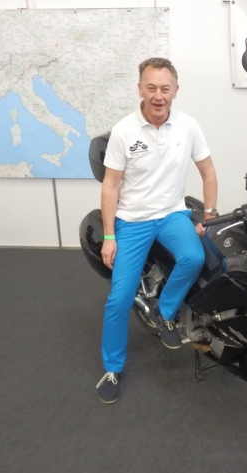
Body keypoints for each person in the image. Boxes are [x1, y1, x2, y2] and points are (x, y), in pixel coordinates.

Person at [96, 57, 218, 404]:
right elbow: (110, 186)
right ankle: (112, 367)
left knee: (193, 257)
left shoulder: (188, 126)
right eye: (151, 88)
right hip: (132, 221)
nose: (158, 95)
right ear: (140, 89)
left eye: (165, 88)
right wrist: (109, 236)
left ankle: (164, 313)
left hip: (171, 215)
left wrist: (208, 215)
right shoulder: (124, 131)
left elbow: (208, 172)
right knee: (119, 299)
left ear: (175, 90)